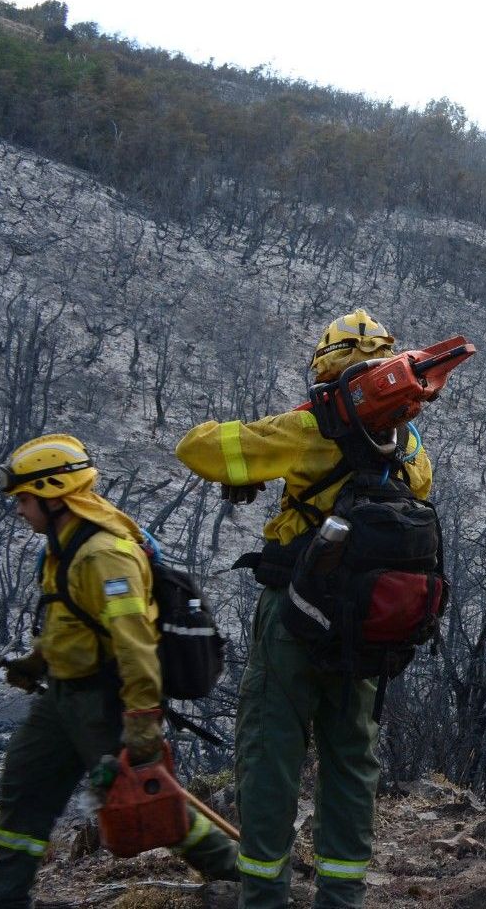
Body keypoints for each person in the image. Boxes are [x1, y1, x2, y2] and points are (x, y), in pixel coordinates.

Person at [176, 309, 431, 908]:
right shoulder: (408, 444)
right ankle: (341, 898)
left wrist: (269, 447)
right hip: (364, 624)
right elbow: (416, 489)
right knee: (351, 756)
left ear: (326, 375)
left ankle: (264, 895)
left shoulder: (310, 430)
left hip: (295, 615)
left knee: (271, 753)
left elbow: (201, 450)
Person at [0, 434, 239, 909]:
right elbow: (71, 619)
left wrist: (143, 718)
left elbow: (134, 642)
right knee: (24, 782)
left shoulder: (104, 555)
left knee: (149, 801)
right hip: (61, 699)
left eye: (23, 498)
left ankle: (242, 878)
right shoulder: (62, 545)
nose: (18, 509)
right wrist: (36, 663)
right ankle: (6, 897)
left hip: (105, 703)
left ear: (53, 494)